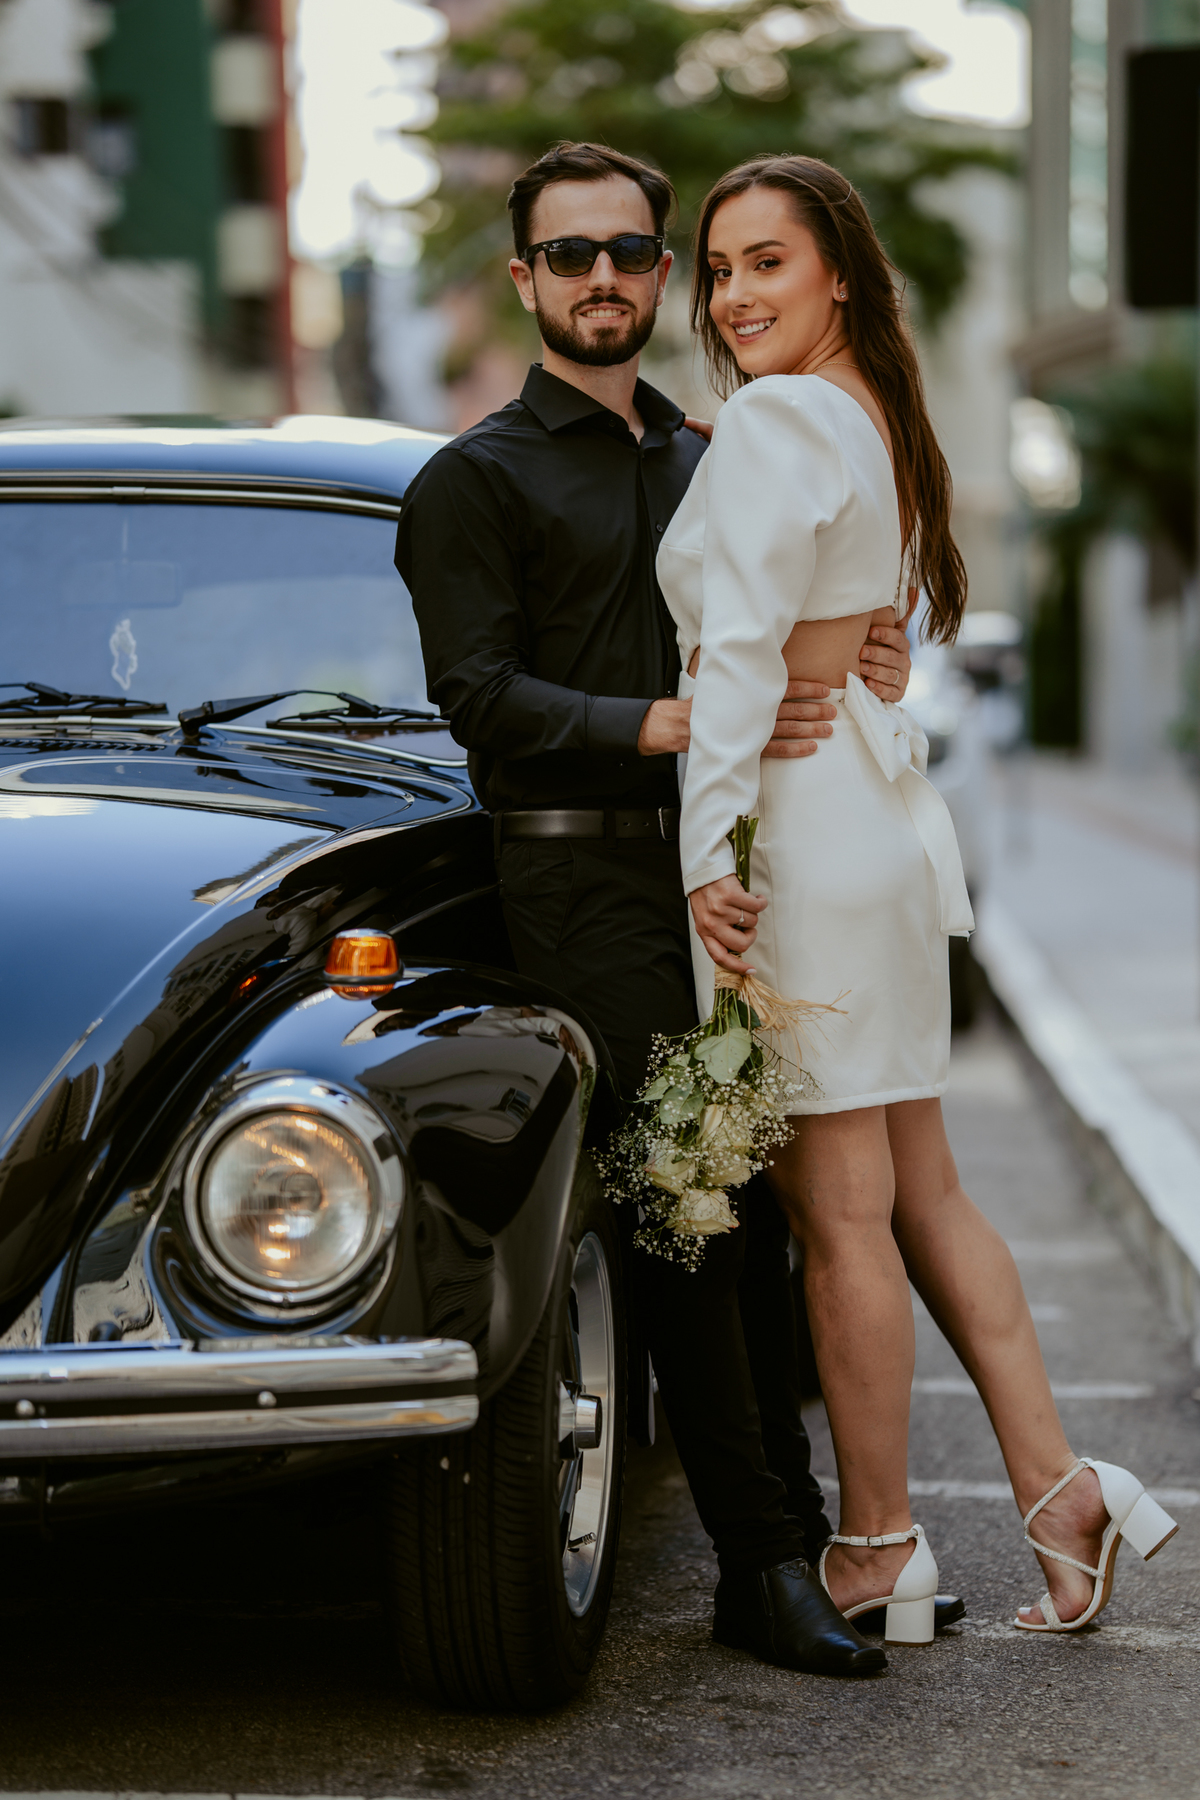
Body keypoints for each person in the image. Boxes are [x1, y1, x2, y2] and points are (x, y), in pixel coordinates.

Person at [396, 141, 954, 1679]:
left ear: (659, 272)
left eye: (633, 251)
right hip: (587, 876)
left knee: (777, 1211)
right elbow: (476, 695)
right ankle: (761, 1564)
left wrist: (877, 649)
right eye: (569, 254)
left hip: (748, 866)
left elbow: (795, 603)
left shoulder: (716, 447)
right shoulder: (470, 481)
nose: (605, 278)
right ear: (525, 278)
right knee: (691, 1208)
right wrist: (656, 724)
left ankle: (829, 1538)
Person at [660, 152, 1179, 1644]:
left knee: (842, 1217)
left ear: (838, 274)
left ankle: (878, 1547)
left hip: (798, 835)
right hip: (871, 820)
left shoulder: (781, 419)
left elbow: (742, 655)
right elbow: (853, 624)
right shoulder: (868, 414)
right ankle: (1059, 1490)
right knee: (922, 1193)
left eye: (768, 261)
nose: (735, 293)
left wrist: (707, 854)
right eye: (721, 268)